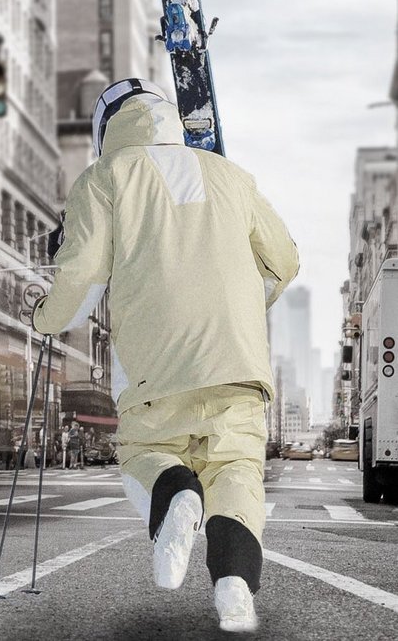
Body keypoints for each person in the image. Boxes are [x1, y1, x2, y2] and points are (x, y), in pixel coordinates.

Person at [32, 78, 299, 633]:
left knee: (144, 453)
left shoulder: (104, 177)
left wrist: (45, 317)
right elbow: (285, 262)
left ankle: (175, 493)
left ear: (107, 129)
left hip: (158, 367)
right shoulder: (232, 176)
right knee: (236, 473)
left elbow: (81, 277)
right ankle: (233, 588)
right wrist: (249, 303)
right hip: (239, 367)